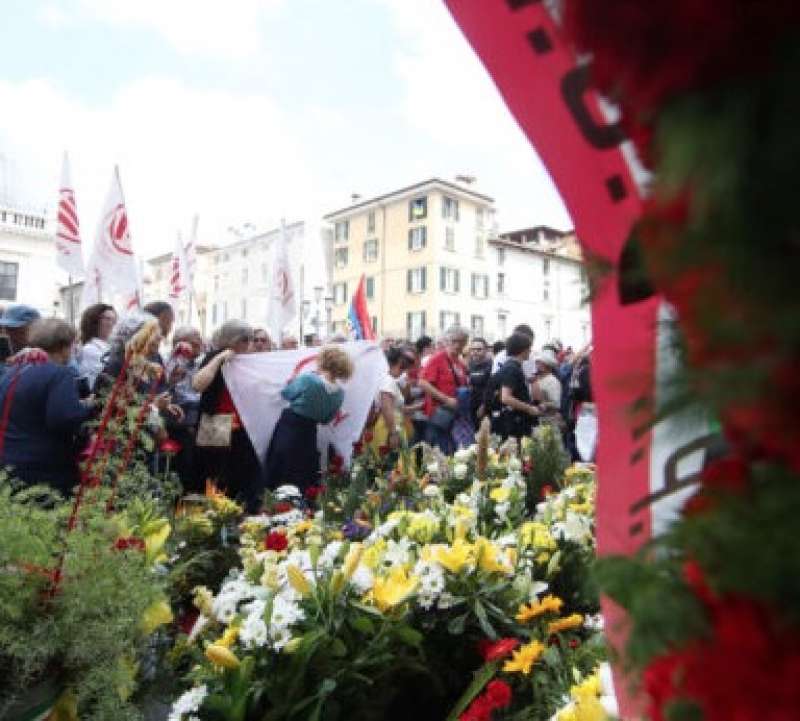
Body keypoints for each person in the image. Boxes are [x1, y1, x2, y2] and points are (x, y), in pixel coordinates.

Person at [0, 319, 92, 494]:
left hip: (8, 462)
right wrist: (89, 407)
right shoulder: (59, 374)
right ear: (64, 346)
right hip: (44, 468)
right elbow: (64, 418)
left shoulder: (13, 371)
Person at [265, 345, 353, 491]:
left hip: (290, 427)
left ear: (323, 360)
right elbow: (326, 419)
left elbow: (286, 394)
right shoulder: (340, 394)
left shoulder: (308, 379)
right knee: (301, 472)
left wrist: (293, 382)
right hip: (309, 432)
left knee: (281, 470)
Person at [192, 320, 260, 509]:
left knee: (242, 475)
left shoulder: (251, 360)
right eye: (244, 340)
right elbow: (198, 384)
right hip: (216, 422)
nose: (249, 344)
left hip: (243, 425)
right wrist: (219, 359)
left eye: (251, 339)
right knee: (215, 473)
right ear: (231, 341)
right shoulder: (214, 356)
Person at [165, 327, 205, 492]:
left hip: (196, 423)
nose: (199, 342)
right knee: (183, 469)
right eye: (194, 340)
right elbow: (178, 394)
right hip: (180, 424)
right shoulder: (174, 363)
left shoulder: (198, 364)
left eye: (199, 339)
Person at [419, 326, 469, 454]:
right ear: (447, 341)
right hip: (439, 414)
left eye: (461, 342)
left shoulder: (461, 363)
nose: (457, 345)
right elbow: (423, 383)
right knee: (438, 453)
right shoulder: (437, 359)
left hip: (454, 415)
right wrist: (446, 399)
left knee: (451, 452)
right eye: (454, 341)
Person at [491, 332, 541, 440]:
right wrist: (529, 408)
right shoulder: (512, 368)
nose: (530, 351)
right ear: (523, 349)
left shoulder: (513, 366)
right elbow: (505, 397)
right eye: (529, 348)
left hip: (514, 420)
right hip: (513, 422)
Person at [370, 346, 414, 452]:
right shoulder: (387, 380)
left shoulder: (385, 378)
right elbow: (387, 407)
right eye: (402, 367)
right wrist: (393, 433)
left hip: (389, 425)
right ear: (398, 362)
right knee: (389, 463)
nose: (403, 371)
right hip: (387, 427)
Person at [77, 303, 117, 391]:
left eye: (114, 320)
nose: (111, 324)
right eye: (107, 319)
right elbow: (112, 374)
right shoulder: (90, 349)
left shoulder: (111, 345)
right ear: (94, 321)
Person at [531, 349, 563, 426]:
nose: (536, 364)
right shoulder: (535, 379)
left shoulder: (553, 381)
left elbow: (556, 403)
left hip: (547, 421)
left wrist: (544, 404)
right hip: (534, 419)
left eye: (539, 362)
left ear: (546, 365)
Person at [467, 337, 493, 426]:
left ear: (486, 350)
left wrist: (484, 406)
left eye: (479, 349)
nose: (475, 352)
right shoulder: (469, 365)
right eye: (473, 349)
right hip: (470, 406)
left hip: (485, 407)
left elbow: (491, 389)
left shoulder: (491, 366)